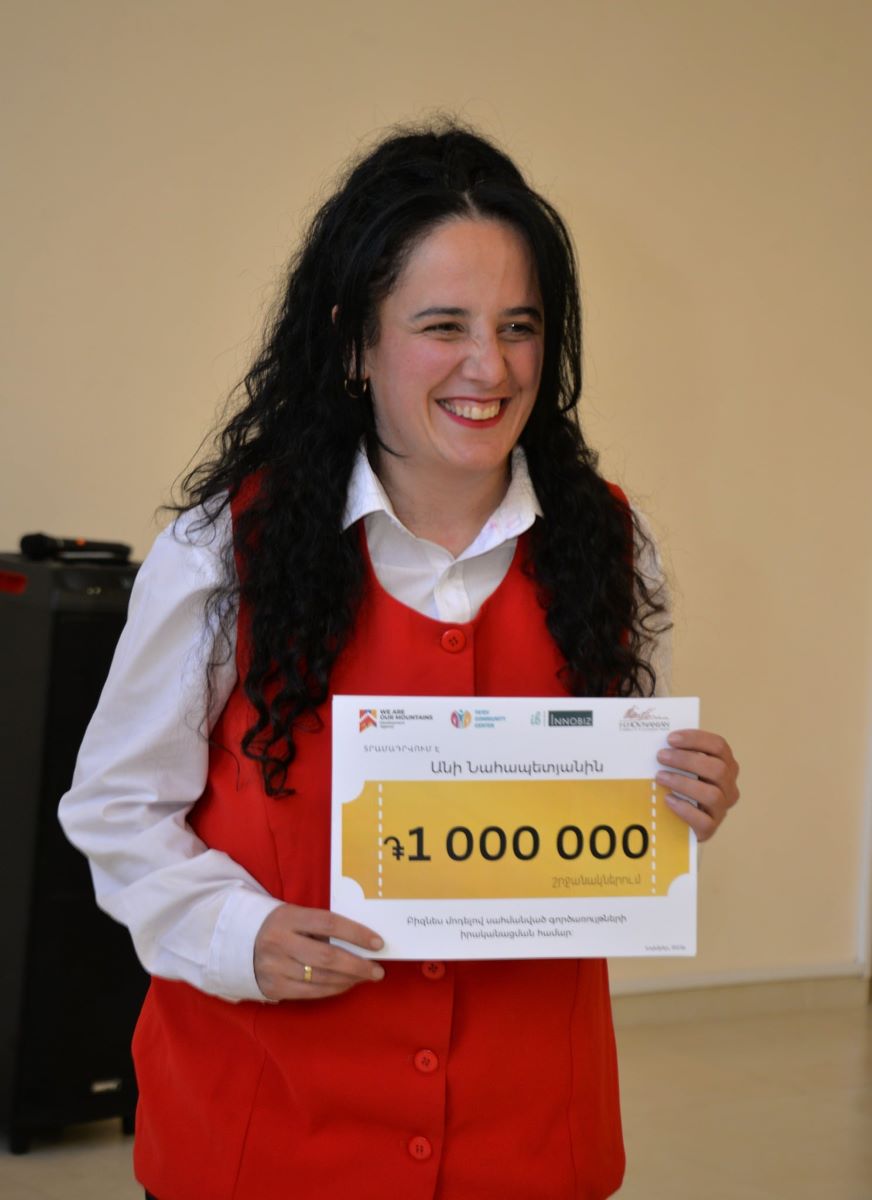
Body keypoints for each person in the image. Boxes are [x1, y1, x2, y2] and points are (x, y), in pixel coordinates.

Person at [59, 121, 739, 1200]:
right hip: (265, 1137)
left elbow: (602, 809)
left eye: (519, 327)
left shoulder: (610, 542)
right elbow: (115, 808)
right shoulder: (221, 549)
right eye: (442, 326)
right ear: (354, 343)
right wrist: (238, 934)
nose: (490, 367)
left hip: (528, 1144)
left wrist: (680, 798)